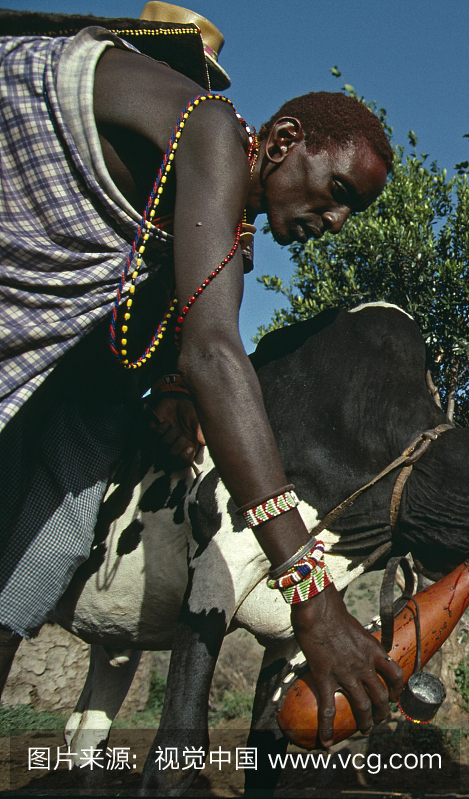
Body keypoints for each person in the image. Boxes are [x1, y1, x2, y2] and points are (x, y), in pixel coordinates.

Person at [0, 24, 406, 747]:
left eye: (352, 211)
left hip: (71, 388)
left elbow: (186, 351)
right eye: (337, 191)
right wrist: (310, 595)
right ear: (281, 142)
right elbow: (214, 353)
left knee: (47, 553)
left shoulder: (224, 240)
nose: (336, 220)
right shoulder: (212, 129)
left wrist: (177, 391)